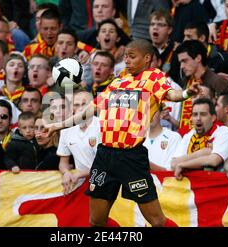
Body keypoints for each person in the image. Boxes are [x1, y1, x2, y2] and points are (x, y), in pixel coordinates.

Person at [47, 39, 200, 227]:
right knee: (95, 221)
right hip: (105, 156)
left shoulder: (154, 78)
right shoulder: (118, 81)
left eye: (132, 56)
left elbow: (172, 95)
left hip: (131, 157)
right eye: (125, 56)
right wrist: (57, 126)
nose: (126, 60)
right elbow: (90, 109)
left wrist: (186, 93)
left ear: (146, 58)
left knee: (157, 221)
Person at [172, 98, 228, 179]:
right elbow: (173, 164)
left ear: (213, 118)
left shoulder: (224, 132)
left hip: (214, 185)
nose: (198, 118)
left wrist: (183, 164)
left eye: (203, 114)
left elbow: (214, 161)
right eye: (195, 114)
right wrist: (202, 153)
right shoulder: (188, 136)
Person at [57, 90, 100, 195]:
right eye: (76, 105)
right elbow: (63, 162)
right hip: (82, 185)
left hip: (105, 182)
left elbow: (107, 163)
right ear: (72, 108)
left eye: (84, 104)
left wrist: (81, 174)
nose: (80, 108)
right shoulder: (66, 131)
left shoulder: (103, 126)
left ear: (92, 106)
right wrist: (66, 173)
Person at [143, 106, 182, 171]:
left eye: (153, 110)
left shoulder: (174, 138)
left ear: (161, 114)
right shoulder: (136, 139)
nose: (149, 115)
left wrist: (146, 164)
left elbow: (171, 170)